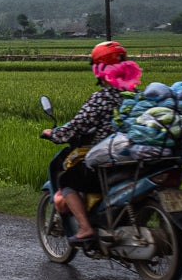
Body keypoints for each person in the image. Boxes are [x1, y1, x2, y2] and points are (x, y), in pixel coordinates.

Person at [42, 40, 143, 243]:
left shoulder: (102, 97)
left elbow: (78, 124)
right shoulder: (136, 96)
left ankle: (86, 228)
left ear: (99, 69)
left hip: (109, 160)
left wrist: (54, 134)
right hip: (135, 157)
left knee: (67, 180)